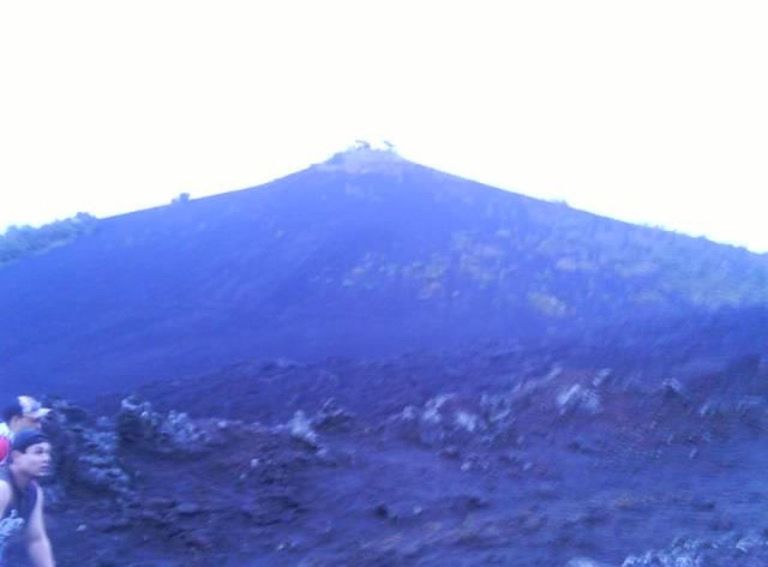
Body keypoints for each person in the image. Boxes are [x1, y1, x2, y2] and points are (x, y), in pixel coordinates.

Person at [0, 429, 55, 566]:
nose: (46, 458)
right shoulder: (3, 487)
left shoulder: (34, 491)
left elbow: (36, 539)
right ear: (16, 456)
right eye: (38, 452)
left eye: (48, 453)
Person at [0, 397, 51, 465]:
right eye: (34, 421)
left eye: (39, 420)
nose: (39, 426)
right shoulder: (2, 443)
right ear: (16, 420)